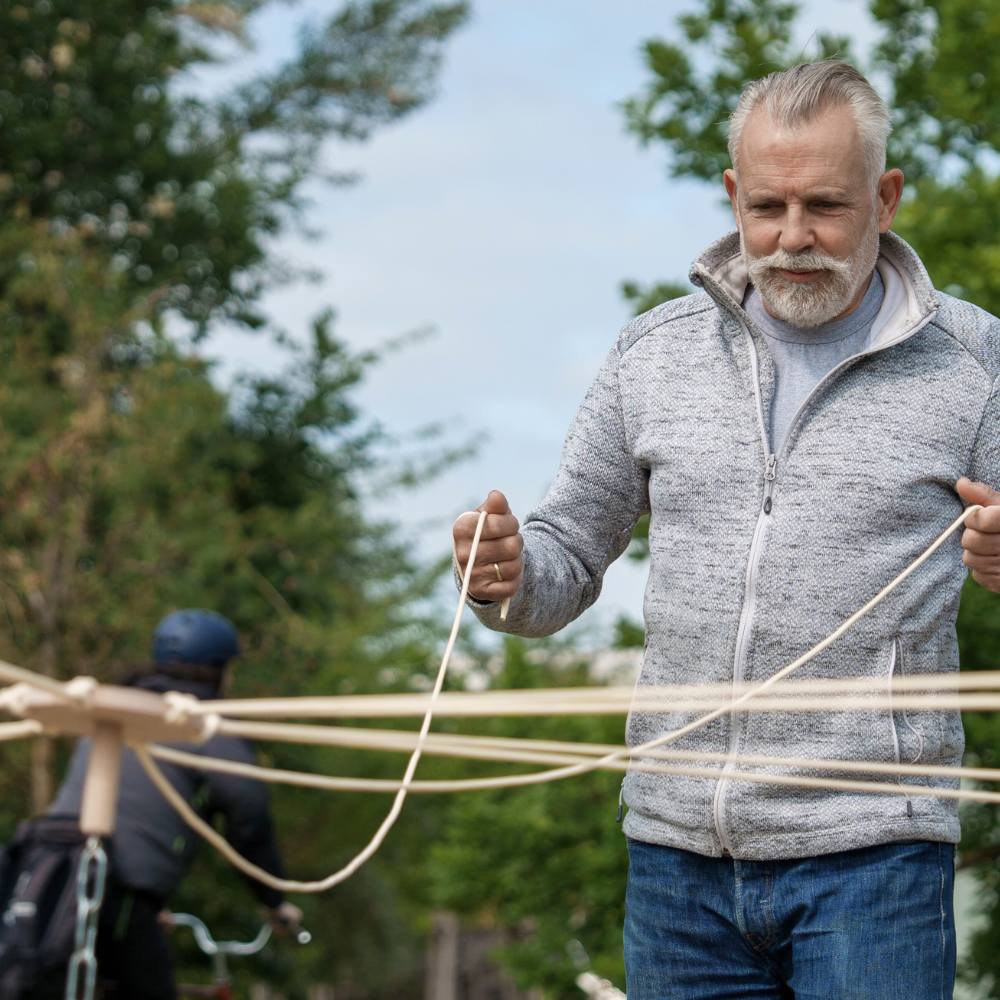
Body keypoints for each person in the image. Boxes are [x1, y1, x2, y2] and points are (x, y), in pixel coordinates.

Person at [452, 61, 1000, 999]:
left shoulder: (977, 364)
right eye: (769, 207)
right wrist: (504, 577)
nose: (792, 239)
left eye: (826, 206)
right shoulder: (652, 353)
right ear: (733, 195)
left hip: (875, 856)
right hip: (675, 864)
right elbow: (566, 557)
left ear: (887, 196)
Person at [46, 609, 302, 1000]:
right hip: (117, 890)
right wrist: (274, 902)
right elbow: (248, 823)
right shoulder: (204, 729)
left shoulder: (110, 710)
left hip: (52, 876)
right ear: (219, 670)